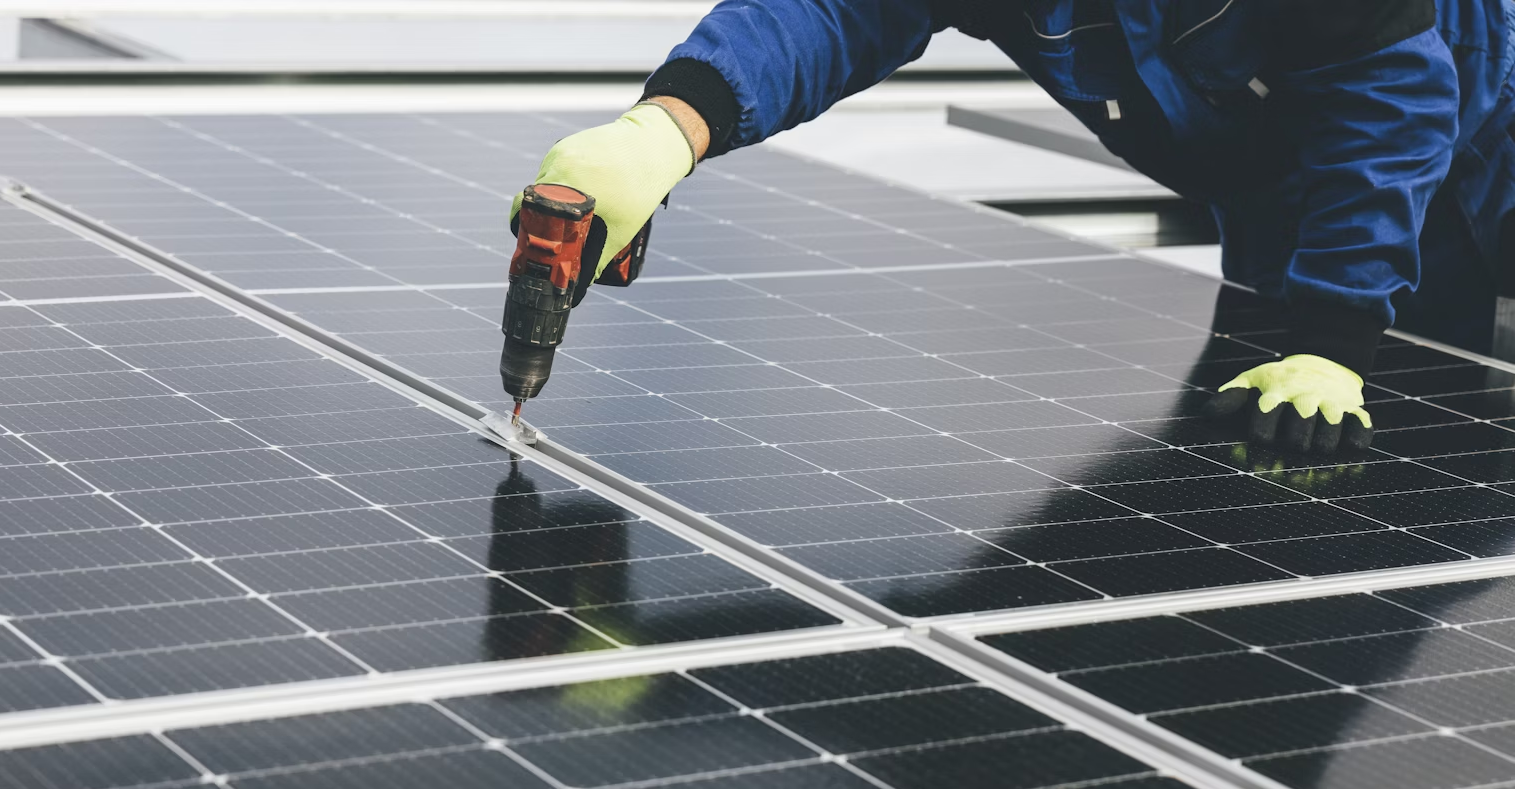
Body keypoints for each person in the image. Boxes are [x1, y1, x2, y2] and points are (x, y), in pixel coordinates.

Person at [514, 0, 1515, 455]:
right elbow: (830, 13)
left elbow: (1385, 103)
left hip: (1465, 151)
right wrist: (669, 126)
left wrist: (1335, 337)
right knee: (1249, 445)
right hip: (1273, 182)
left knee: (1394, 452)